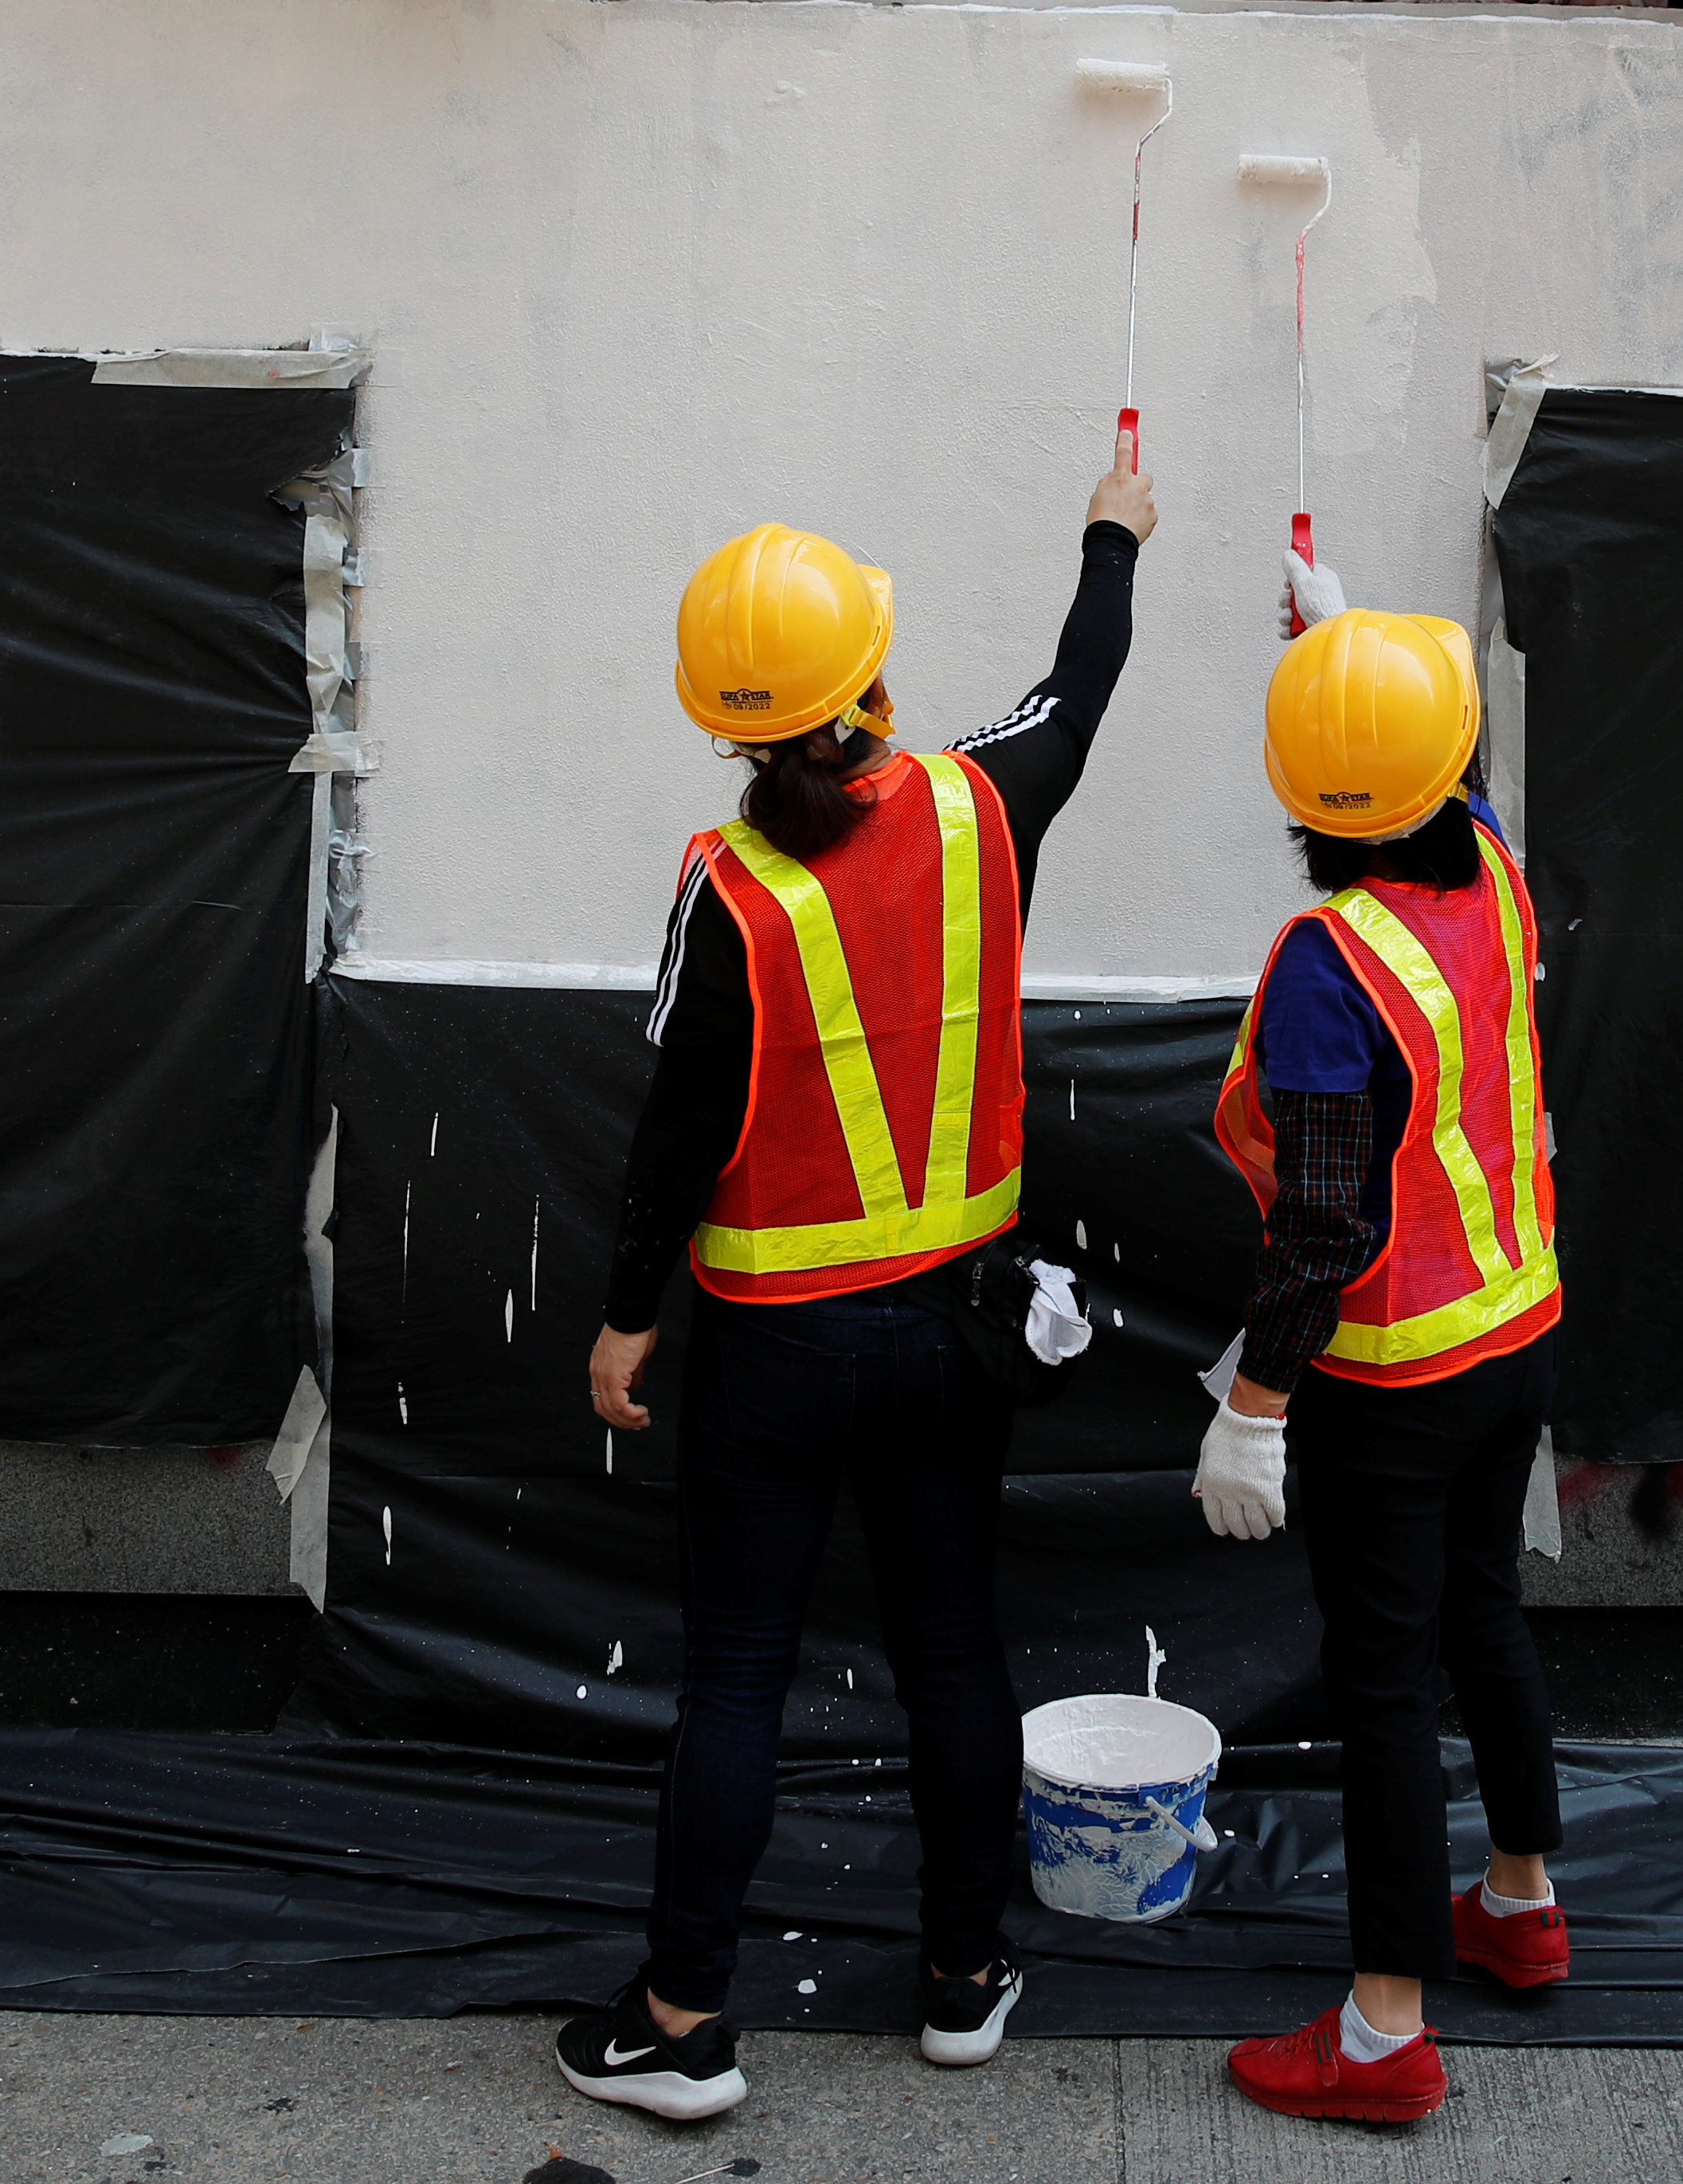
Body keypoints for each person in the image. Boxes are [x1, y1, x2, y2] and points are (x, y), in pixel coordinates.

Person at [556, 444, 1155, 2124]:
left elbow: (673, 1133)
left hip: (772, 1351)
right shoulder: (981, 803)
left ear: (731, 722)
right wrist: (1111, 535)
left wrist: (624, 1315)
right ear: (871, 681)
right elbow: (1080, 684)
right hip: (954, 1333)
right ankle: (965, 1979)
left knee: (738, 1672)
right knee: (953, 1650)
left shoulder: (728, 888)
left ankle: (683, 2025)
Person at [1191, 562, 1567, 2127]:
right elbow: (1442, 765)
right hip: (1518, 1331)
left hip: (1395, 1381)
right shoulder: (1491, 864)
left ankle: (1384, 2031)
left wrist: (1254, 1408)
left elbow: (1327, 1223)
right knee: (1488, 1619)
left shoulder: (1329, 969)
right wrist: (1348, 646)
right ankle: (1524, 1904)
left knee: (1387, 1687)